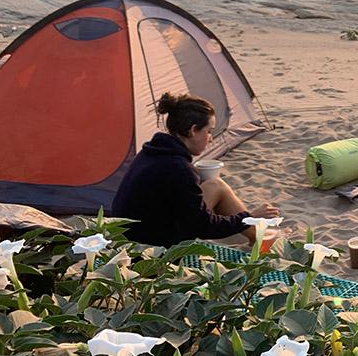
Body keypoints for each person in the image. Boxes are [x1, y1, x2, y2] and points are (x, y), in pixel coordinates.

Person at [112, 92, 278, 246]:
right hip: (153, 248)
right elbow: (203, 227)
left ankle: (257, 237)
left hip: (131, 238)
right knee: (217, 188)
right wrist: (249, 217)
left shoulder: (151, 152)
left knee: (214, 185)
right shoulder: (179, 168)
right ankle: (258, 235)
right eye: (209, 131)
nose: (211, 139)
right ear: (193, 130)